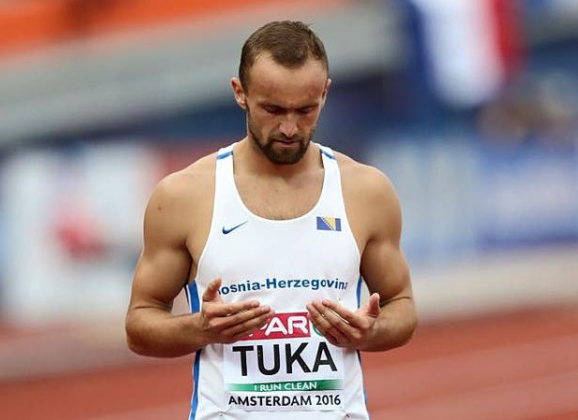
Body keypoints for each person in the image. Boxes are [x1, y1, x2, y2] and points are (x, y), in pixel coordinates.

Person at [126, 20, 417, 420]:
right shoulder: (185, 196)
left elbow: (402, 306)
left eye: (306, 110)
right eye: (273, 109)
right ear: (240, 93)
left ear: (325, 93)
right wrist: (200, 329)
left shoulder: (365, 191)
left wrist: (371, 332)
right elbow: (139, 324)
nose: (289, 128)